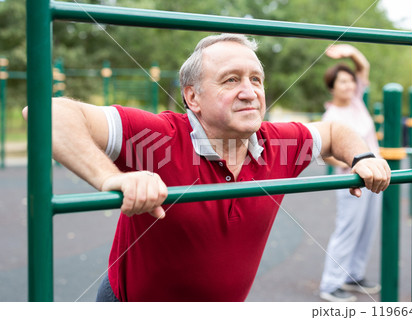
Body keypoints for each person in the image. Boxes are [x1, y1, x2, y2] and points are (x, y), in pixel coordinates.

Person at [23, 34, 390, 302]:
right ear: (192, 96)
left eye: (256, 79)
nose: (249, 91)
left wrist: (363, 157)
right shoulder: (158, 137)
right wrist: (113, 178)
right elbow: (45, 114)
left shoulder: (277, 141)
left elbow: (334, 131)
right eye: (231, 79)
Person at [319, 44, 382, 302]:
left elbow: (363, 66)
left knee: (367, 227)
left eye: (350, 81)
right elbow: (325, 153)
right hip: (351, 178)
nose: (347, 86)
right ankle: (330, 283)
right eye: (341, 82)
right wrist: (353, 162)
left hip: (375, 175)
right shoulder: (331, 116)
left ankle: (353, 275)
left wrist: (350, 50)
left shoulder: (357, 103)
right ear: (332, 87)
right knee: (347, 229)